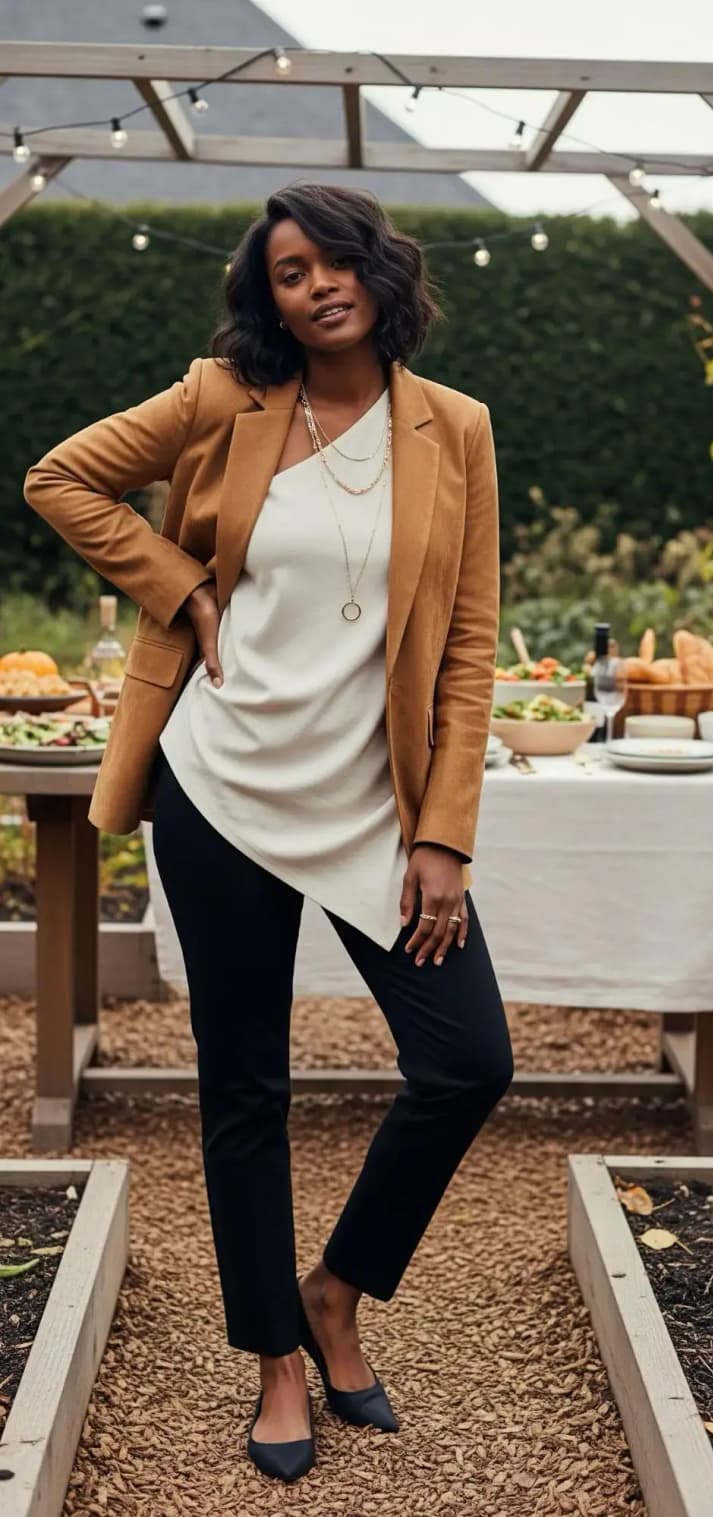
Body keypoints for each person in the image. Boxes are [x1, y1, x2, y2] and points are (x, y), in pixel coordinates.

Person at [23, 182, 513, 1483]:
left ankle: (339, 1288)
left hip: (370, 808)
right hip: (222, 789)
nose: (316, 284)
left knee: (468, 1059)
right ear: (271, 296)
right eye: (289, 271)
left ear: (377, 270)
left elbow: (467, 651)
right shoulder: (220, 397)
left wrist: (445, 836)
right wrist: (180, 587)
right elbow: (61, 478)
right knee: (244, 1086)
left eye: (335, 259)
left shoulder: (455, 430)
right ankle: (279, 1361)